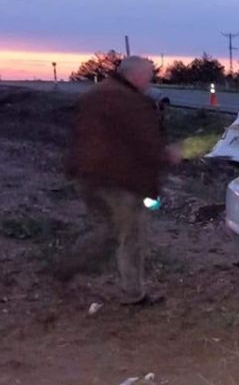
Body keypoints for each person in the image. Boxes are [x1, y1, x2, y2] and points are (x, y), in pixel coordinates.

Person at [52, 56, 181, 305]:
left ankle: (67, 267)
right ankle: (134, 293)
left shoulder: (97, 94)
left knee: (108, 230)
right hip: (119, 180)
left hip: (88, 175)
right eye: (149, 75)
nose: (151, 80)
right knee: (131, 235)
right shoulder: (131, 102)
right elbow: (145, 143)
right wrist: (167, 155)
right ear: (136, 76)